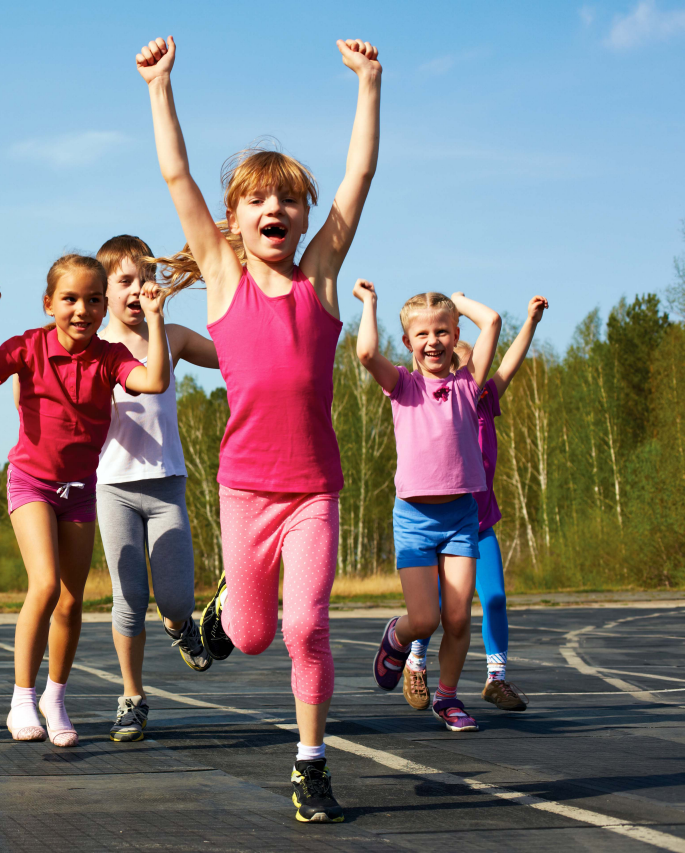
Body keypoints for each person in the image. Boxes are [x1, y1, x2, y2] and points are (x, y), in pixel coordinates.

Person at [135, 34, 382, 822]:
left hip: (314, 490)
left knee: (306, 624)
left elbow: (359, 178)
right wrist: (159, 86)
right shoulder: (222, 277)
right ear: (234, 221)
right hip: (244, 491)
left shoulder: (320, 278)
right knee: (248, 637)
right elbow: (176, 175)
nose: (276, 209)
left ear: (305, 217)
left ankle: (311, 765)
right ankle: (218, 614)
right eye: (257, 201)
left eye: (289, 200)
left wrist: (369, 85)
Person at [0, 255, 170, 747]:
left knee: (72, 602)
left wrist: (155, 320)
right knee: (46, 585)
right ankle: (22, 698)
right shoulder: (30, 346)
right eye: (70, 299)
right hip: (31, 482)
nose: (82, 309)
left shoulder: (111, 356)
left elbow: (154, 381)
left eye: (94, 300)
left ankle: (55, 697)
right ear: (49, 303)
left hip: (80, 491)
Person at [353, 281, 501, 734]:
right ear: (408, 343)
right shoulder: (402, 385)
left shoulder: (467, 383)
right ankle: (396, 638)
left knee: (458, 617)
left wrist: (456, 303)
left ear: (456, 336)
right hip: (415, 519)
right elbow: (364, 355)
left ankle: (448, 697)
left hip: (460, 517)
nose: (433, 341)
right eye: (423, 334)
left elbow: (492, 321)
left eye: (442, 332)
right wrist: (371, 304)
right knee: (424, 619)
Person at [93, 235, 218, 742]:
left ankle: (181, 625)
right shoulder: (92, 345)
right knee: (128, 599)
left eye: (146, 277)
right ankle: (132, 698)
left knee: (172, 601)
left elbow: (234, 357)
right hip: (113, 487)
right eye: (125, 280)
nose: (138, 289)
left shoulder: (174, 337)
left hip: (166, 485)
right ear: (103, 291)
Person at [404, 296, 549, 713]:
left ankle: (496, 678)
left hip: (480, 524)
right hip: (438, 522)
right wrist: (447, 314)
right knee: (434, 610)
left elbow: (510, 363)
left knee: (496, 599)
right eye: (465, 364)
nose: (475, 370)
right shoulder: (439, 399)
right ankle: (416, 663)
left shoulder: (484, 399)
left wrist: (531, 323)